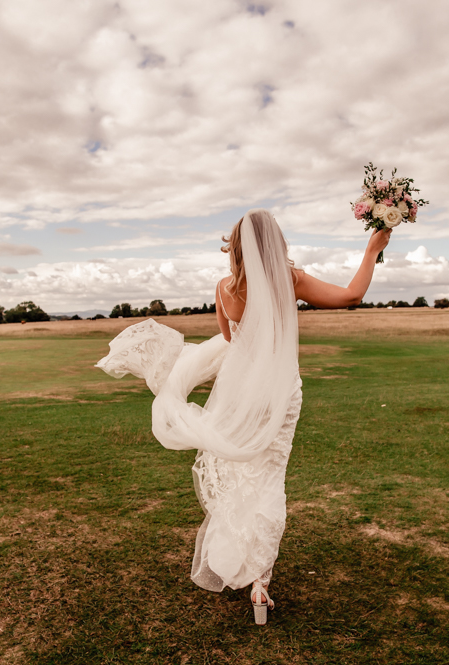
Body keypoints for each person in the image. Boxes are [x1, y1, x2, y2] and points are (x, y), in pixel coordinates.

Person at [96, 209, 390, 625]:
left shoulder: (224, 288)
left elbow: (233, 341)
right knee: (270, 477)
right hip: (279, 393)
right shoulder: (291, 280)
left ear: (235, 245)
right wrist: (372, 250)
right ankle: (260, 584)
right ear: (276, 242)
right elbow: (351, 296)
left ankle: (242, 563)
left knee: (239, 475)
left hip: (238, 394)